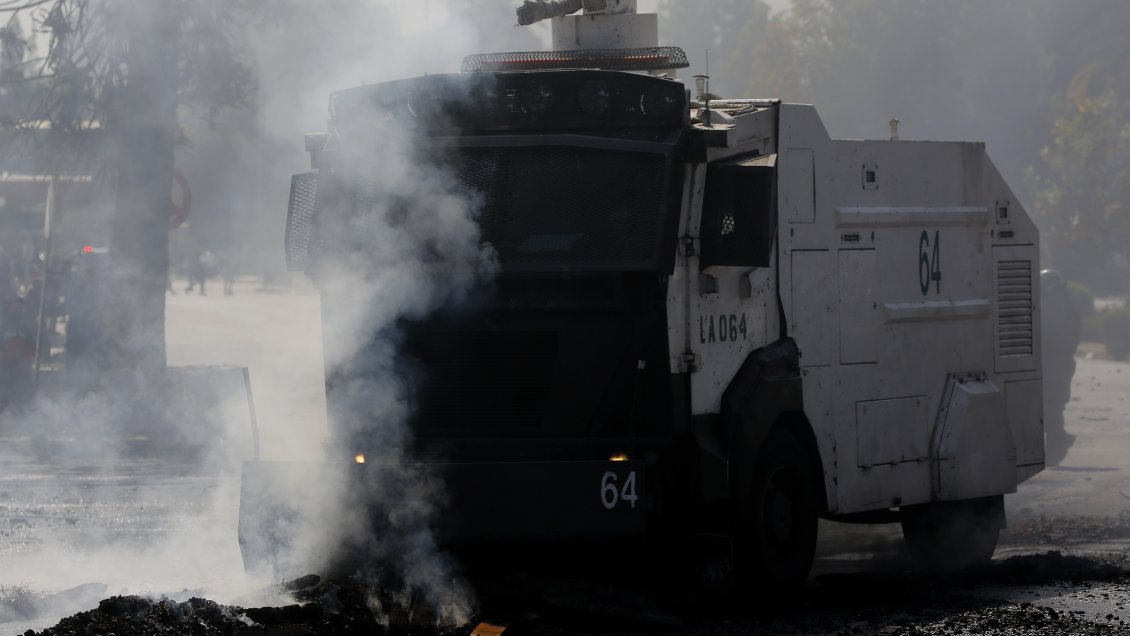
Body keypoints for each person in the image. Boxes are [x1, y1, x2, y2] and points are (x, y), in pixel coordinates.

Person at [1041, 270, 1080, 466]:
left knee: (1050, 405)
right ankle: (1058, 442)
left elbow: (1054, 336)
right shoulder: (1062, 305)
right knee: (1051, 404)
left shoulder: (1058, 307)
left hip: (1056, 364)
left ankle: (1058, 443)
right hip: (1058, 363)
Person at [0, 295, 34, 416]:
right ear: (9, 308)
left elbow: (30, 348)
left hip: (20, 370)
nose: (19, 310)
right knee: (3, 397)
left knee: (21, 399)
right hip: (4, 369)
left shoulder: (24, 329)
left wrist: (27, 363)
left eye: (20, 308)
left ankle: (23, 422)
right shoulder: (2, 327)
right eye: (16, 307)